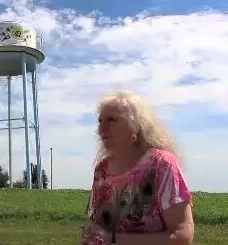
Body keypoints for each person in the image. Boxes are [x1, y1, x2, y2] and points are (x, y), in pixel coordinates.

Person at [81, 91, 194, 245]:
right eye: (100, 121)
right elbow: (96, 227)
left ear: (136, 127)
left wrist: (112, 240)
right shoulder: (102, 170)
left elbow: (182, 236)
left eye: (111, 120)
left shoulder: (161, 165)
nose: (101, 129)